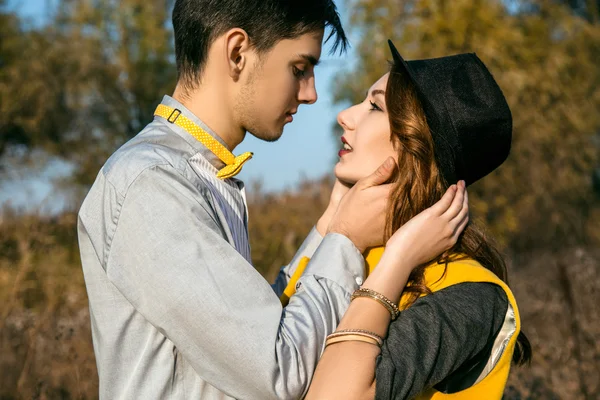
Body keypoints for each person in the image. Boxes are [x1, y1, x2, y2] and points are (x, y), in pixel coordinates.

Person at [76, 1, 469, 399]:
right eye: (299, 69)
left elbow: (258, 329)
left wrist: (329, 225)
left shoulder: (202, 174)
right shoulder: (152, 183)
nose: (312, 93)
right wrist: (346, 240)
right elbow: (276, 371)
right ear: (237, 53)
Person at [285, 41, 531, 399]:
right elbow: (270, 361)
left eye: (374, 106)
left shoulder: (471, 294)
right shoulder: (353, 247)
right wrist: (332, 221)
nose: (345, 115)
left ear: (415, 147)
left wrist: (398, 260)